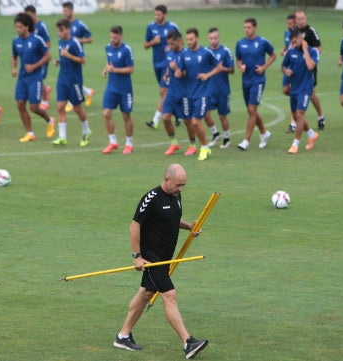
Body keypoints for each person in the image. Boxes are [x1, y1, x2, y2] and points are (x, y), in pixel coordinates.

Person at [114, 163, 209, 360]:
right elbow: (134, 225)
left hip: (165, 258)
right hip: (151, 258)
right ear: (166, 180)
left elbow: (172, 219)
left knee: (146, 293)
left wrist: (189, 227)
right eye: (178, 185)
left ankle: (123, 336)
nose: (181, 189)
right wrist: (137, 256)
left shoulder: (175, 195)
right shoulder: (151, 198)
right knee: (170, 295)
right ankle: (187, 342)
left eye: (184, 185)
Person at [176, 28, 222, 161]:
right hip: (190, 93)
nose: (189, 42)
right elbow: (182, 70)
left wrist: (207, 75)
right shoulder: (184, 54)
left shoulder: (206, 53)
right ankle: (205, 146)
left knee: (196, 122)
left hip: (203, 92)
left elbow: (219, 67)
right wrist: (179, 73)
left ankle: (203, 147)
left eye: (191, 39)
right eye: (187, 40)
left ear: (197, 38)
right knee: (192, 122)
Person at [11, 12, 54, 143]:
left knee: (34, 107)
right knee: (20, 104)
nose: (18, 30)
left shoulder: (37, 40)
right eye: (16, 27)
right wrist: (14, 68)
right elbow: (14, 57)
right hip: (22, 78)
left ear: (27, 27)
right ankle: (30, 133)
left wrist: (34, 66)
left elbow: (47, 56)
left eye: (20, 27)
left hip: (35, 77)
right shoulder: (16, 41)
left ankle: (49, 120)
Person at [235, 17, 275, 151]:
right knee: (251, 110)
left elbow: (273, 55)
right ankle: (264, 133)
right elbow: (238, 59)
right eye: (245, 27)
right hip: (246, 81)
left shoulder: (263, 42)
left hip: (258, 81)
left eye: (249, 27)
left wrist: (263, 67)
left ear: (255, 28)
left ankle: (246, 141)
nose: (246, 30)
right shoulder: (240, 43)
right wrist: (240, 67)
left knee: (252, 110)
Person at [52, 18, 92, 146]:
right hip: (62, 79)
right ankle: (62, 137)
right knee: (60, 107)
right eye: (58, 31)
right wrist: (59, 60)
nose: (59, 33)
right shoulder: (60, 42)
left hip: (74, 80)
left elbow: (83, 60)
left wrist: (68, 56)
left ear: (68, 29)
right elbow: (63, 55)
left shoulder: (75, 42)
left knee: (77, 108)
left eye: (61, 30)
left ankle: (87, 131)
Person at [281, 29, 320, 154]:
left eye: (295, 42)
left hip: (306, 88)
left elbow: (310, 66)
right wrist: (285, 71)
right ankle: (311, 134)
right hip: (295, 88)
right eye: (292, 43)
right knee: (297, 116)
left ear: (301, 39)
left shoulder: (313, 51)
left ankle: (295, 145)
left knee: (299, 115)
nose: (294, 45)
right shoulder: (291, 52)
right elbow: (283, 66)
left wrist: (305, 50)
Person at [161, 29, 196, 156]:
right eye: (169, 44)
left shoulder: (187, 54)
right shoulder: (170, 53)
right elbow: (168, 66)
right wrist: (166, 75)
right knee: (165, 118)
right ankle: (174, 143)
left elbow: (191, 74)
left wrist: (179, 70)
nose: (170, 46)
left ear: (179, 41)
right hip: (171, 92)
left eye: (172, 43)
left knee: (187, 121)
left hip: (185, 94)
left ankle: (192, 145)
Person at [101, 26, 135, 155]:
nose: (112, 39)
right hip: (111, 87)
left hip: (125, 89)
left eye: (115, 37)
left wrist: (115, 70)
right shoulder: (108, 48)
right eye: (111, 37)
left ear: (121, 36)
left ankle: (129, 143)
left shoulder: (127, 50)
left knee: (126, 116)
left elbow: (131, 69)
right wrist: (106, 69)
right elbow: (109, 62)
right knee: (106, 114)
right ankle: (113, 142)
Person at [144, 4, 179, 129]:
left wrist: (171, 47)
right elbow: (145, 45)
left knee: (163, 91)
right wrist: (153, 42)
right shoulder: (150, 27)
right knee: (166, 92)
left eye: (159, 15)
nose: (156, 17)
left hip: (168, 63)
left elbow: (180, 43)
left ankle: (155, 120)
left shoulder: (172, 27)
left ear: (164, 15)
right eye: (155, 14)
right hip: (156, 63)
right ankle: (177, 113)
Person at [294, 10, 325, 130]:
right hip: (296, 67)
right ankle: (295, 120)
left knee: (311, 94)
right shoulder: (293, 32)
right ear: (295, 21)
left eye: (303, 18)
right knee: (292, 91)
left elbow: (319, 48)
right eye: (299, 19)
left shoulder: (311, 31)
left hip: (309, 68)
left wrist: (307, 50)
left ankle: (320, 116)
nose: (302, 21)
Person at [62, 1, 95, 110]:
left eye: (66, 11)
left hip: (77, 56)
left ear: (72, 11)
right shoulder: (64, 26)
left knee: (73, 79)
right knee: (68, 78)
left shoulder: (80, 25)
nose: (64, 13)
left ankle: (72, 102)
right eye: (63, 11)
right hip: (66, 56)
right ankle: (88, 91)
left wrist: (79, 40)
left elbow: (90, 39)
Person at [205, 27, 234, 149]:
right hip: (209, 90)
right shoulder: (206, 52)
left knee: (222, 116)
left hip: (222, 90)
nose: (213, 41)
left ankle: (226, 138)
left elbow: (232, 70)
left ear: (219, 38)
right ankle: (215, 134)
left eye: (215, 38)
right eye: (211, 38)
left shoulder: (225, 51)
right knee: (205, 114)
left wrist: (224, 69)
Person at [24, 5, 52, 111]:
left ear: (34, 14)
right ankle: (45, 91)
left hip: (41, 58)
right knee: (38, 78)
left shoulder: (41, 26)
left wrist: (39, 49)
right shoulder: (28, 27)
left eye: (29, 15)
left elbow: (48, 44)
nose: (28, 18)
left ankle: (45, 100)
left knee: (39, 78)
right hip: (32, 59)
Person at [281, 13, 297, 133]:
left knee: (293, 92)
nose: (288, 26)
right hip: (287, 66)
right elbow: (288, 46)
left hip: (296, 67)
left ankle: (293, 123)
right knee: (286, 90)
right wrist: (284, 50)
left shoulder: (299, 35)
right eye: (287, 24)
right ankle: (299, 100)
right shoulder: (287, 33)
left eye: (290, 24)